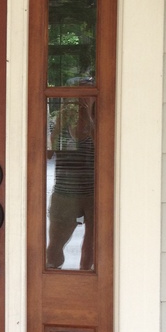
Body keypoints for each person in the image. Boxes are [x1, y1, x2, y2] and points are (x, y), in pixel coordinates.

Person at [45, 92, 95, 270]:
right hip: (64, 196)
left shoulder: (98, 125)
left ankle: (85, 288)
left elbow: (105, 154)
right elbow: (48, 154)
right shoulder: (62, 125)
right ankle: (51, 287)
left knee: (91, 249)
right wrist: (58, 125)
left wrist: (89, 117)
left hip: (92, 196)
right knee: (53, 251)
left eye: (86, 95)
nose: (81, 100)